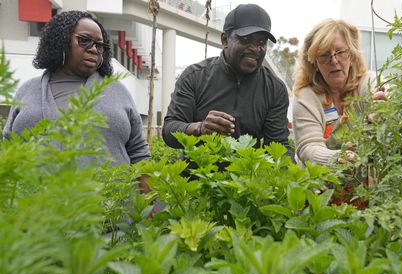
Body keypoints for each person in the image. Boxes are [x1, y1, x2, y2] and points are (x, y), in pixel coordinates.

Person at [2, 10, 151, 166]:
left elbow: (139, 154)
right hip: (35, 189)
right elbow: (9, 149)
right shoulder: (27, 90)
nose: (94, 49)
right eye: (84, 40)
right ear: (61, 41)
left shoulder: (118, 92)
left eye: (99, 45)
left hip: (108, 189)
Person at [162, 3, 292, 157]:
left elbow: (278, 145)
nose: (256, 49)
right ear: (225, 40)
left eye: (261, 42)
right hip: (197, 177)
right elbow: (169, 130)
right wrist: (200, 128)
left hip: (246, 179)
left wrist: (296, 179)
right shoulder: (194, 77)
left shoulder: (274, 88)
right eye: (246, 40)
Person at [292, 19, 387, 167]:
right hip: (320, 183)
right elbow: (308, 147)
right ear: (314, 63)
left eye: (340, 52)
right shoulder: (306, 96)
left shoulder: (367, 83)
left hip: (363, 183)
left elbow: (391, 98)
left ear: (352, 54)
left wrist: (384, 104)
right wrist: (338, 158)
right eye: (324, 55)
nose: (334, 61)